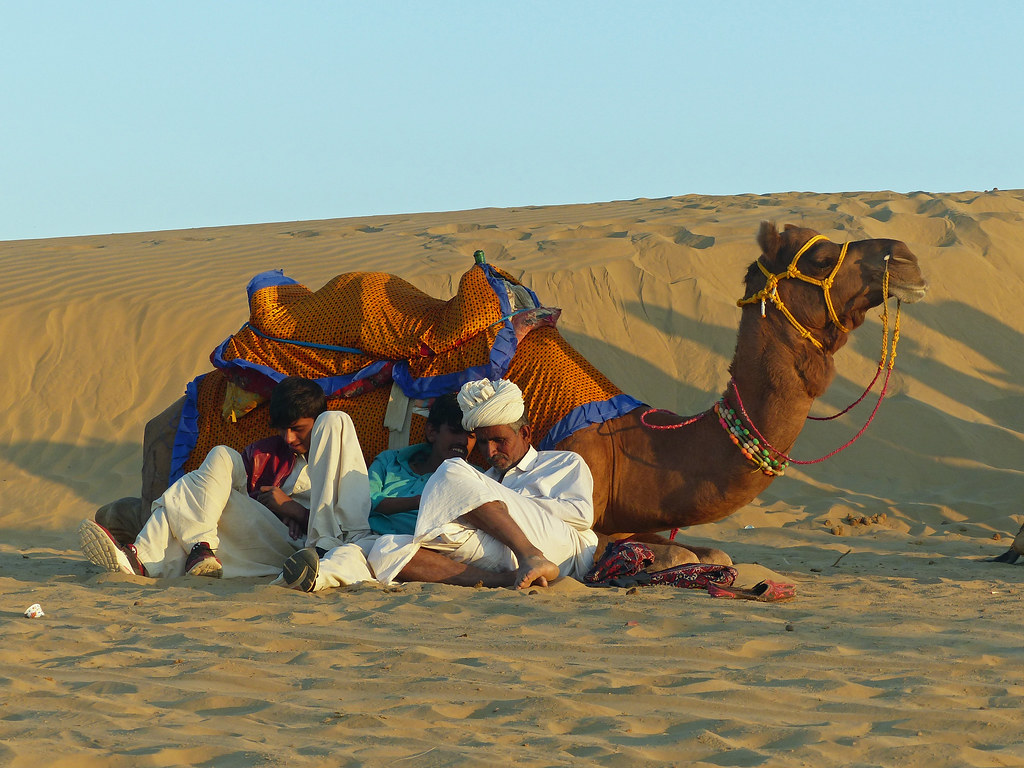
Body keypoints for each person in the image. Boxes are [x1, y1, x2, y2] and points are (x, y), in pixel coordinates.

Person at [282, 378, 598, 592]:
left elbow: (581, 516)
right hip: (499, 551)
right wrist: (479, 503)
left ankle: (531, 556)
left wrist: (502, 502)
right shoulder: (486, 478)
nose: (489, 452)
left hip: (555, 547)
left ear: (525, 434)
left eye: (499, 441)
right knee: (386, 547)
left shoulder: (561, 463)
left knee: (452, 470)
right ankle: (503, 581)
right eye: (484, 443)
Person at [79, 376, 373, 579]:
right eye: (282, 429)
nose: (288, 438)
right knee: (216, 461)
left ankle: (142, 557)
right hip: (259, 531)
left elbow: (342, 526)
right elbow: (227, 493)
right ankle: (198, 548)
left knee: (184, 491)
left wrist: (292, 508)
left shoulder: (339, 457)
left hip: (303, 548)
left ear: (318, 423)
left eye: (298, 429)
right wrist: (272, 506)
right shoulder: (267, 454)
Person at [367, 393, 476, 536]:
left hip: (423, 545)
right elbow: (365, 501)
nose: (464, 441)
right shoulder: (390, 461)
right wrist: (422, 501)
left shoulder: (476, 478)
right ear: (432, 432)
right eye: (455, 431)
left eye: (471, 435)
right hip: (367, 537)